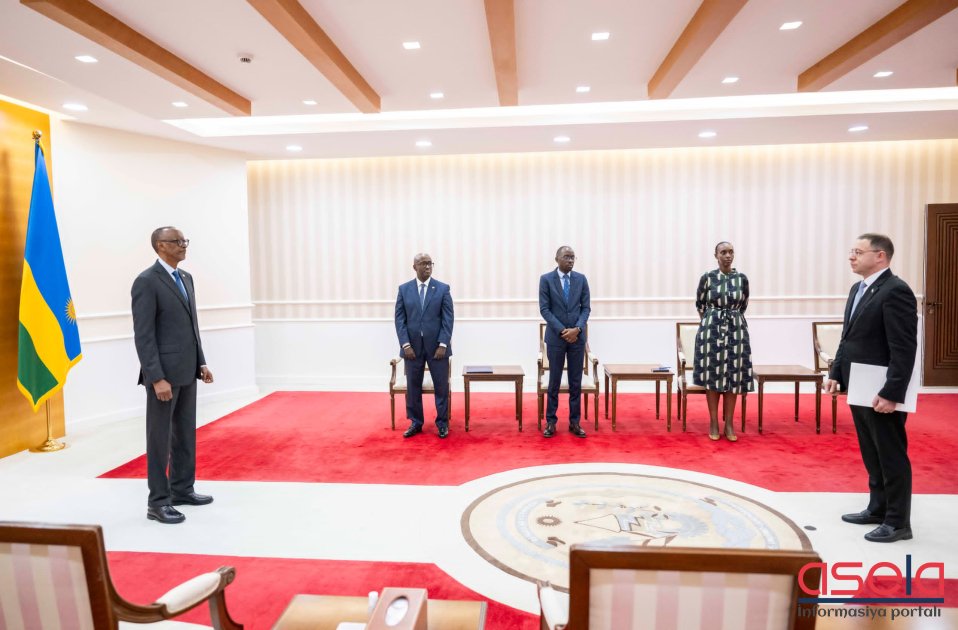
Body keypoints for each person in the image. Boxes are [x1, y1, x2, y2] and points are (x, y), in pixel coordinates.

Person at [826, 233, 917, 543]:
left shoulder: (896, 290)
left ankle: (898, 522)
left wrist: (892, 392)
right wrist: (837, 372)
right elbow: (847, 336)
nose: (851, 256)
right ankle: (878, 508)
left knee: (890, 454)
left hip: (881, 390)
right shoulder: (859, 288)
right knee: (871, 451)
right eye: (851, 251)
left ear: (880, 256)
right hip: (859, 385)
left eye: (858, 251)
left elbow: (903, 348)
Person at [132, 227, 214, 525]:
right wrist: (156, 378)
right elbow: (144, 336)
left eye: (184, 241)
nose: (183, 246)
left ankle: (182, 489)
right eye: (177, 242)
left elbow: (192, 325)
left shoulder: (186, 278)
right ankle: (158, 502)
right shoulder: (146, 281)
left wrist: (201, 362)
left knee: (185, 433)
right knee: (159, 439)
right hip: (163, 377)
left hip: (187, 370)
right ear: (160, 246)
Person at [693, 241, 753, 442]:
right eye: (723, 252)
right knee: (712, 375)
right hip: (711, 331)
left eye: (731, 252)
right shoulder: (708, 278)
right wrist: (712, 321)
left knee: (734, 375)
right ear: (716, 255)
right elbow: (700, 304)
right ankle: (713, 421)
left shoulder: (742, 279)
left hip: (736, 330)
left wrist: (731, 318)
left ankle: (729, 423)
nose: (728, 255)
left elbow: (743, 304)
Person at [394, 253, 454, 439]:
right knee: (413, 388)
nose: (427, 267)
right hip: (412, 349)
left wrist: (443, 344)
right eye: (423, 263)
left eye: (430, 263)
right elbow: (400, 320)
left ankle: (442, 423)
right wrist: (405, 345)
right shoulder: (404, 290)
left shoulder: (442, 289)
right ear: (414, 267)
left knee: (441, 387)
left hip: (437, 349)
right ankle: (416, 422)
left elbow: (448, 319)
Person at [539, 246, 591, 438]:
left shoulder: (581, 279)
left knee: (575, 382)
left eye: (572, 257)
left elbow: (586, 308)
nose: (570, 260)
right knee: (554, 381)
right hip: (556, 338)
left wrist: (577, 329)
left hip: (577, 338)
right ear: (557, 259)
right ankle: (551, 422)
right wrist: (563, 330)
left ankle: (574, 422)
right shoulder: (546, 280)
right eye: (566, 257)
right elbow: (545, 309)